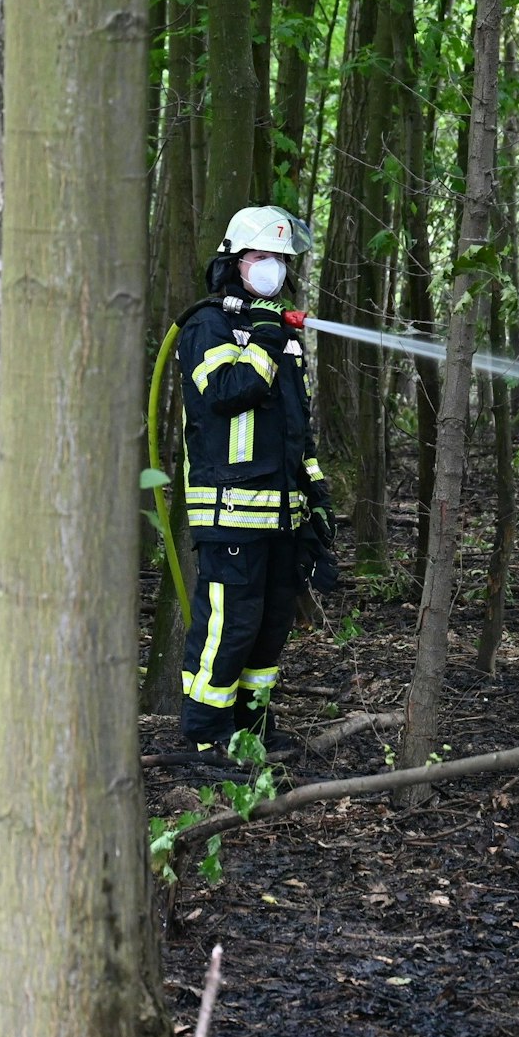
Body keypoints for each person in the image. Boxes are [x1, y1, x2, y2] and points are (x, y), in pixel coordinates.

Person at [173, 205, 334, 752]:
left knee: (269, 631)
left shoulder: (277, 332)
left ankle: (252, 731)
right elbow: (225, 392)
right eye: (262, 258)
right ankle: (206, 736)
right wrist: (264, 340)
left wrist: (316, 494)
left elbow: (297, 425)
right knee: (228, 628)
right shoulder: (207, 325)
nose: (274, 270)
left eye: (281, 260)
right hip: (231, 513)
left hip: (283, 517)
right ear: (234, 261)